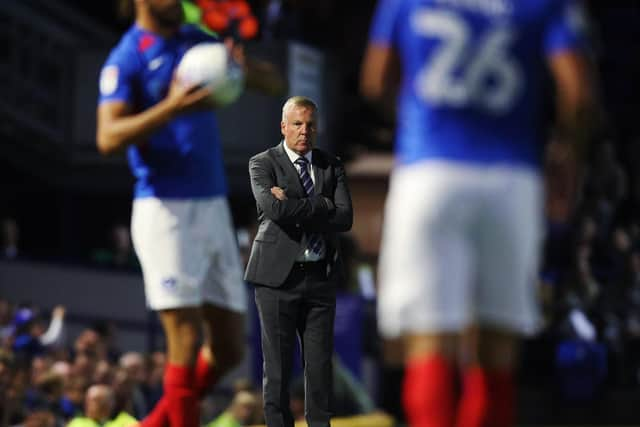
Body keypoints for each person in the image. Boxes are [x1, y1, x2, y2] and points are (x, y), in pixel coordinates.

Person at [361, 1, 595, 426]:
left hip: (430, 171)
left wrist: (415, 118)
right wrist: (567, 153)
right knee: (497, 346)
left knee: (430, 339)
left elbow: (376, 82)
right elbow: (577, 91)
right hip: (511, 176)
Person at [96, 1, 283, 427]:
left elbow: (276, 83)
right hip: (165, 210)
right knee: (184, 337)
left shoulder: (196, 41)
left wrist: (243, 71)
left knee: (230, 350)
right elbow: (107, 137)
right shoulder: (127, 57)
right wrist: (171, 107)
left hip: (212, 205)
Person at [245, 96, 353, 427]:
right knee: (276, 368)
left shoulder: (330, 165)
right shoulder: (262, 163)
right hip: (277, 278)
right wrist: (322, 205)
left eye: (310, 125)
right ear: (283, 126)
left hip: (320, 276)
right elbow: (274, 211)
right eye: (297, 124)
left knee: (319, 366)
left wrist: (295, 202)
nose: (304, 131)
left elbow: (345, 218)